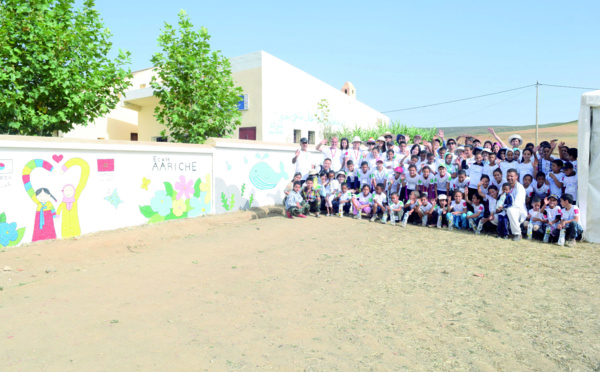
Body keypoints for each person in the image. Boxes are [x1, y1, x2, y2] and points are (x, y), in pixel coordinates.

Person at [505, 169, 527, 241]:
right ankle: (504, 231)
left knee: (510, 210)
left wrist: (505, 207)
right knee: (494, 217)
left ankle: (517, 234)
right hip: (505, 209)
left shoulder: (520, 188)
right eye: (508, 176)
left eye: (512, 176)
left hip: (518, 211)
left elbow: (517, 204)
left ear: (516, 177)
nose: (509, 178)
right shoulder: (505, 186)